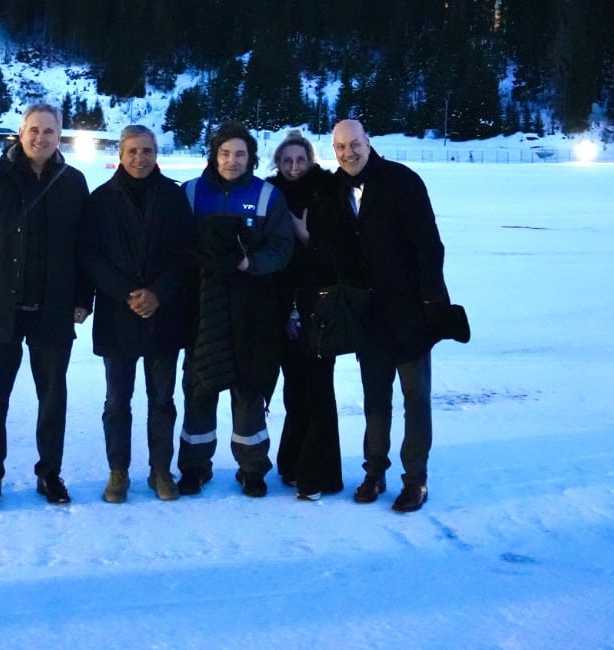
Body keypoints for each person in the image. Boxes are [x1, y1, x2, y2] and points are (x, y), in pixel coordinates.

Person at [0, 102, 91, 512]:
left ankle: (49, 473)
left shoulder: (73, 182)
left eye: (49, 131)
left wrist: (82, 298)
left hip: (53, 309)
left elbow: (86, 246)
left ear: (59, 136)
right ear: (20, 133)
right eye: (34, 130)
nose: (40, 138)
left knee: (52, 396)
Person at [320, 118, 449, 513]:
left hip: (411, 313)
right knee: (375, 400)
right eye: (340, 147)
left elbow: (429, 246)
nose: (348, 153)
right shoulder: (334, 189)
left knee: (416, 398)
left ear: (368, 142)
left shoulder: (402, 181)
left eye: (354, 144)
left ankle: (416, 480)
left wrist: (432, 302)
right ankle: (374, 472)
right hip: (368, 314)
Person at [79, 125, 197, 503]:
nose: (139, 158)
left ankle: (160, 469)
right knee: (117, 401)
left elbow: (186, 253)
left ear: (156, 154)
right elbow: (91, 256)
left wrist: (158, 293)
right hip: (118, 315)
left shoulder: (174, 197)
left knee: (162, 400)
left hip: (164, 314)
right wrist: (127, 293)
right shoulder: (101, 199)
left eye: (147, 151)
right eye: (132, 151)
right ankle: (119, 471)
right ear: (120, 153)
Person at [176, 121, 294, 497]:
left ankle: (253, 467)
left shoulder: (268, 196)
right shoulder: (191, 192)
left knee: (248, 385)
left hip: (251, 307)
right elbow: (174, 244)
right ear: (214, 155)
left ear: (251, 158)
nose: (232, 161)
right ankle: (195, 465)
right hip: (201, 305)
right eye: (225, 153)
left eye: (240, 154)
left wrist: (250, 264)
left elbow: (282, 248)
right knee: (200, 383)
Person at [267, 130, 345, 500]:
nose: (294, 167)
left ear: (311, 160)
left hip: (320, 305)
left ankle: (318, 473)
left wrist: (306, 236)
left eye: (300, 160)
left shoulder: (327, 194)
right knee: (294, 389)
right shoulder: (270, 194)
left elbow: (340, 257)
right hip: (282, 305)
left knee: (318, 388)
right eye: (287, 160)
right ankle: (292, 464)